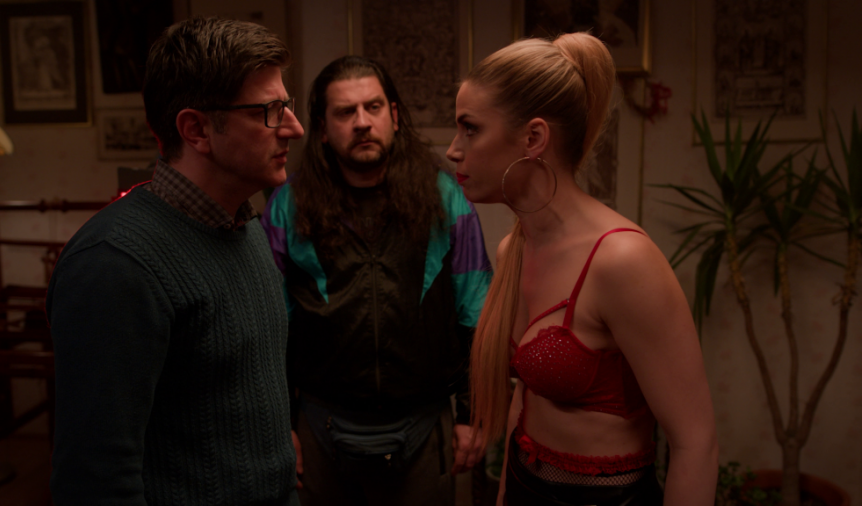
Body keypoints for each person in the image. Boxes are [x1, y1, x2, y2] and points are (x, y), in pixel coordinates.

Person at [447, 34, 718, 505]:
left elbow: (696, 443)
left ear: (533, 139)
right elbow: (525, 397)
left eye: (470, 129)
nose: (453, 149)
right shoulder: (515, 248)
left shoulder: (622, 260)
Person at [47, 18, 304, 505]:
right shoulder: (115, 265)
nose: (294, 126)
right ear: (196, 129)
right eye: (270, 111)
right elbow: (95, 480)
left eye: (287, 105)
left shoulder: (244, 225)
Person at [261, 55, 493, 506]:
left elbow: (477, 312)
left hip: (423, 424)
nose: (362, 122)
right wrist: (279, 425)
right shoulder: (288, 205)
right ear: (323, 128)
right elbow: (271, 327)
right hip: (321, 426)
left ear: (395, 116)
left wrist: (472, 413)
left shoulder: (445, 197)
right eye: (345, 112)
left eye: (373, 107)